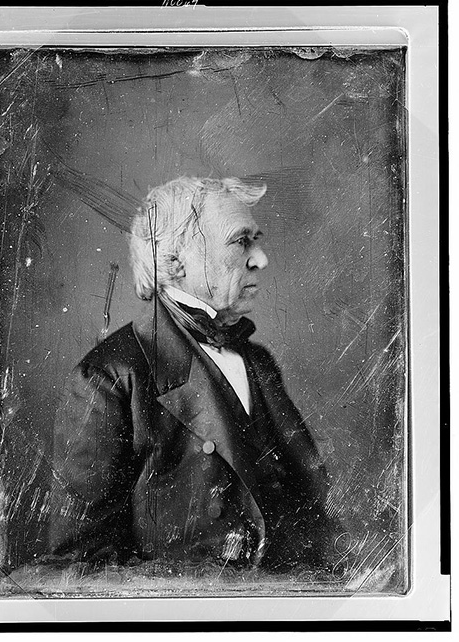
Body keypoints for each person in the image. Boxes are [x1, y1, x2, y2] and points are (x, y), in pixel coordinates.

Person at [49, 177, 341, 573]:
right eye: (240, 241)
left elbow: (312, 505)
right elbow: (78, 570)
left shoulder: (258, 360)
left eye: (256, 240)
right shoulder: (108, 378)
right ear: (175, 262)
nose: (260, 259)